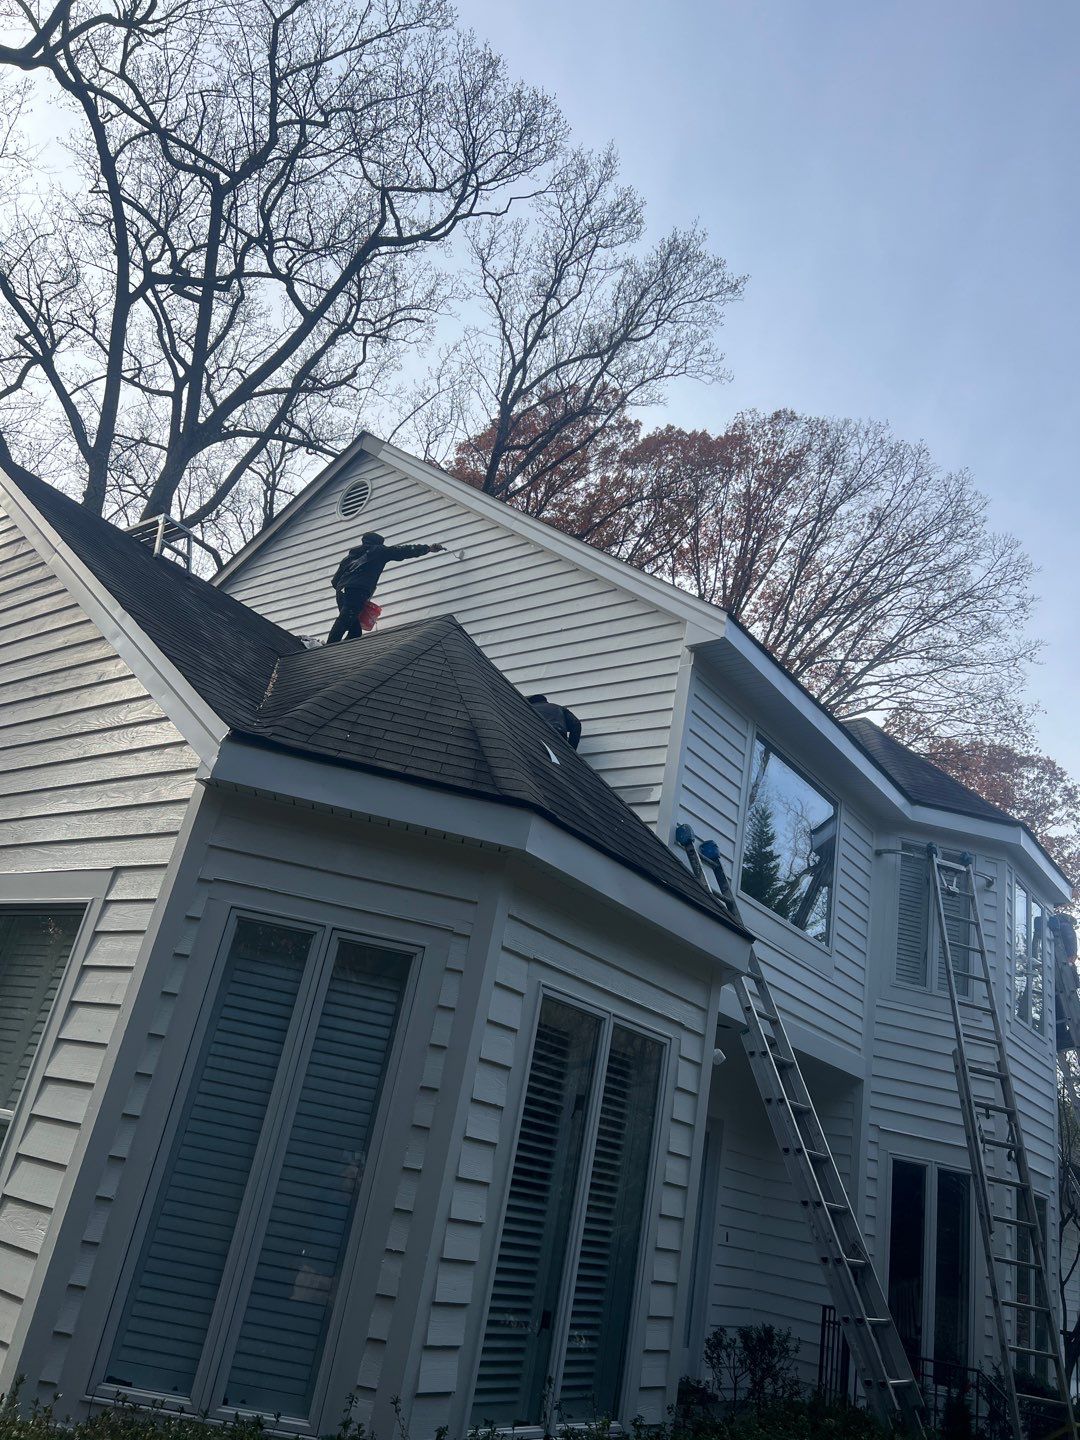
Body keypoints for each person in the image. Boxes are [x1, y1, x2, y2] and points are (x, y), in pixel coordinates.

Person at [327, 532, 445, 643]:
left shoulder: (349, 558)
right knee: (344, 621)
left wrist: (347, 585)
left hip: (341, 591)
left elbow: (334, 582)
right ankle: (327, 649)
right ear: (379, 543)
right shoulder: (379, 550)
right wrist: (427, 548)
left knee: (355, 631)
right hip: (358, 590)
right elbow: (403, 551)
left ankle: (338, 653)